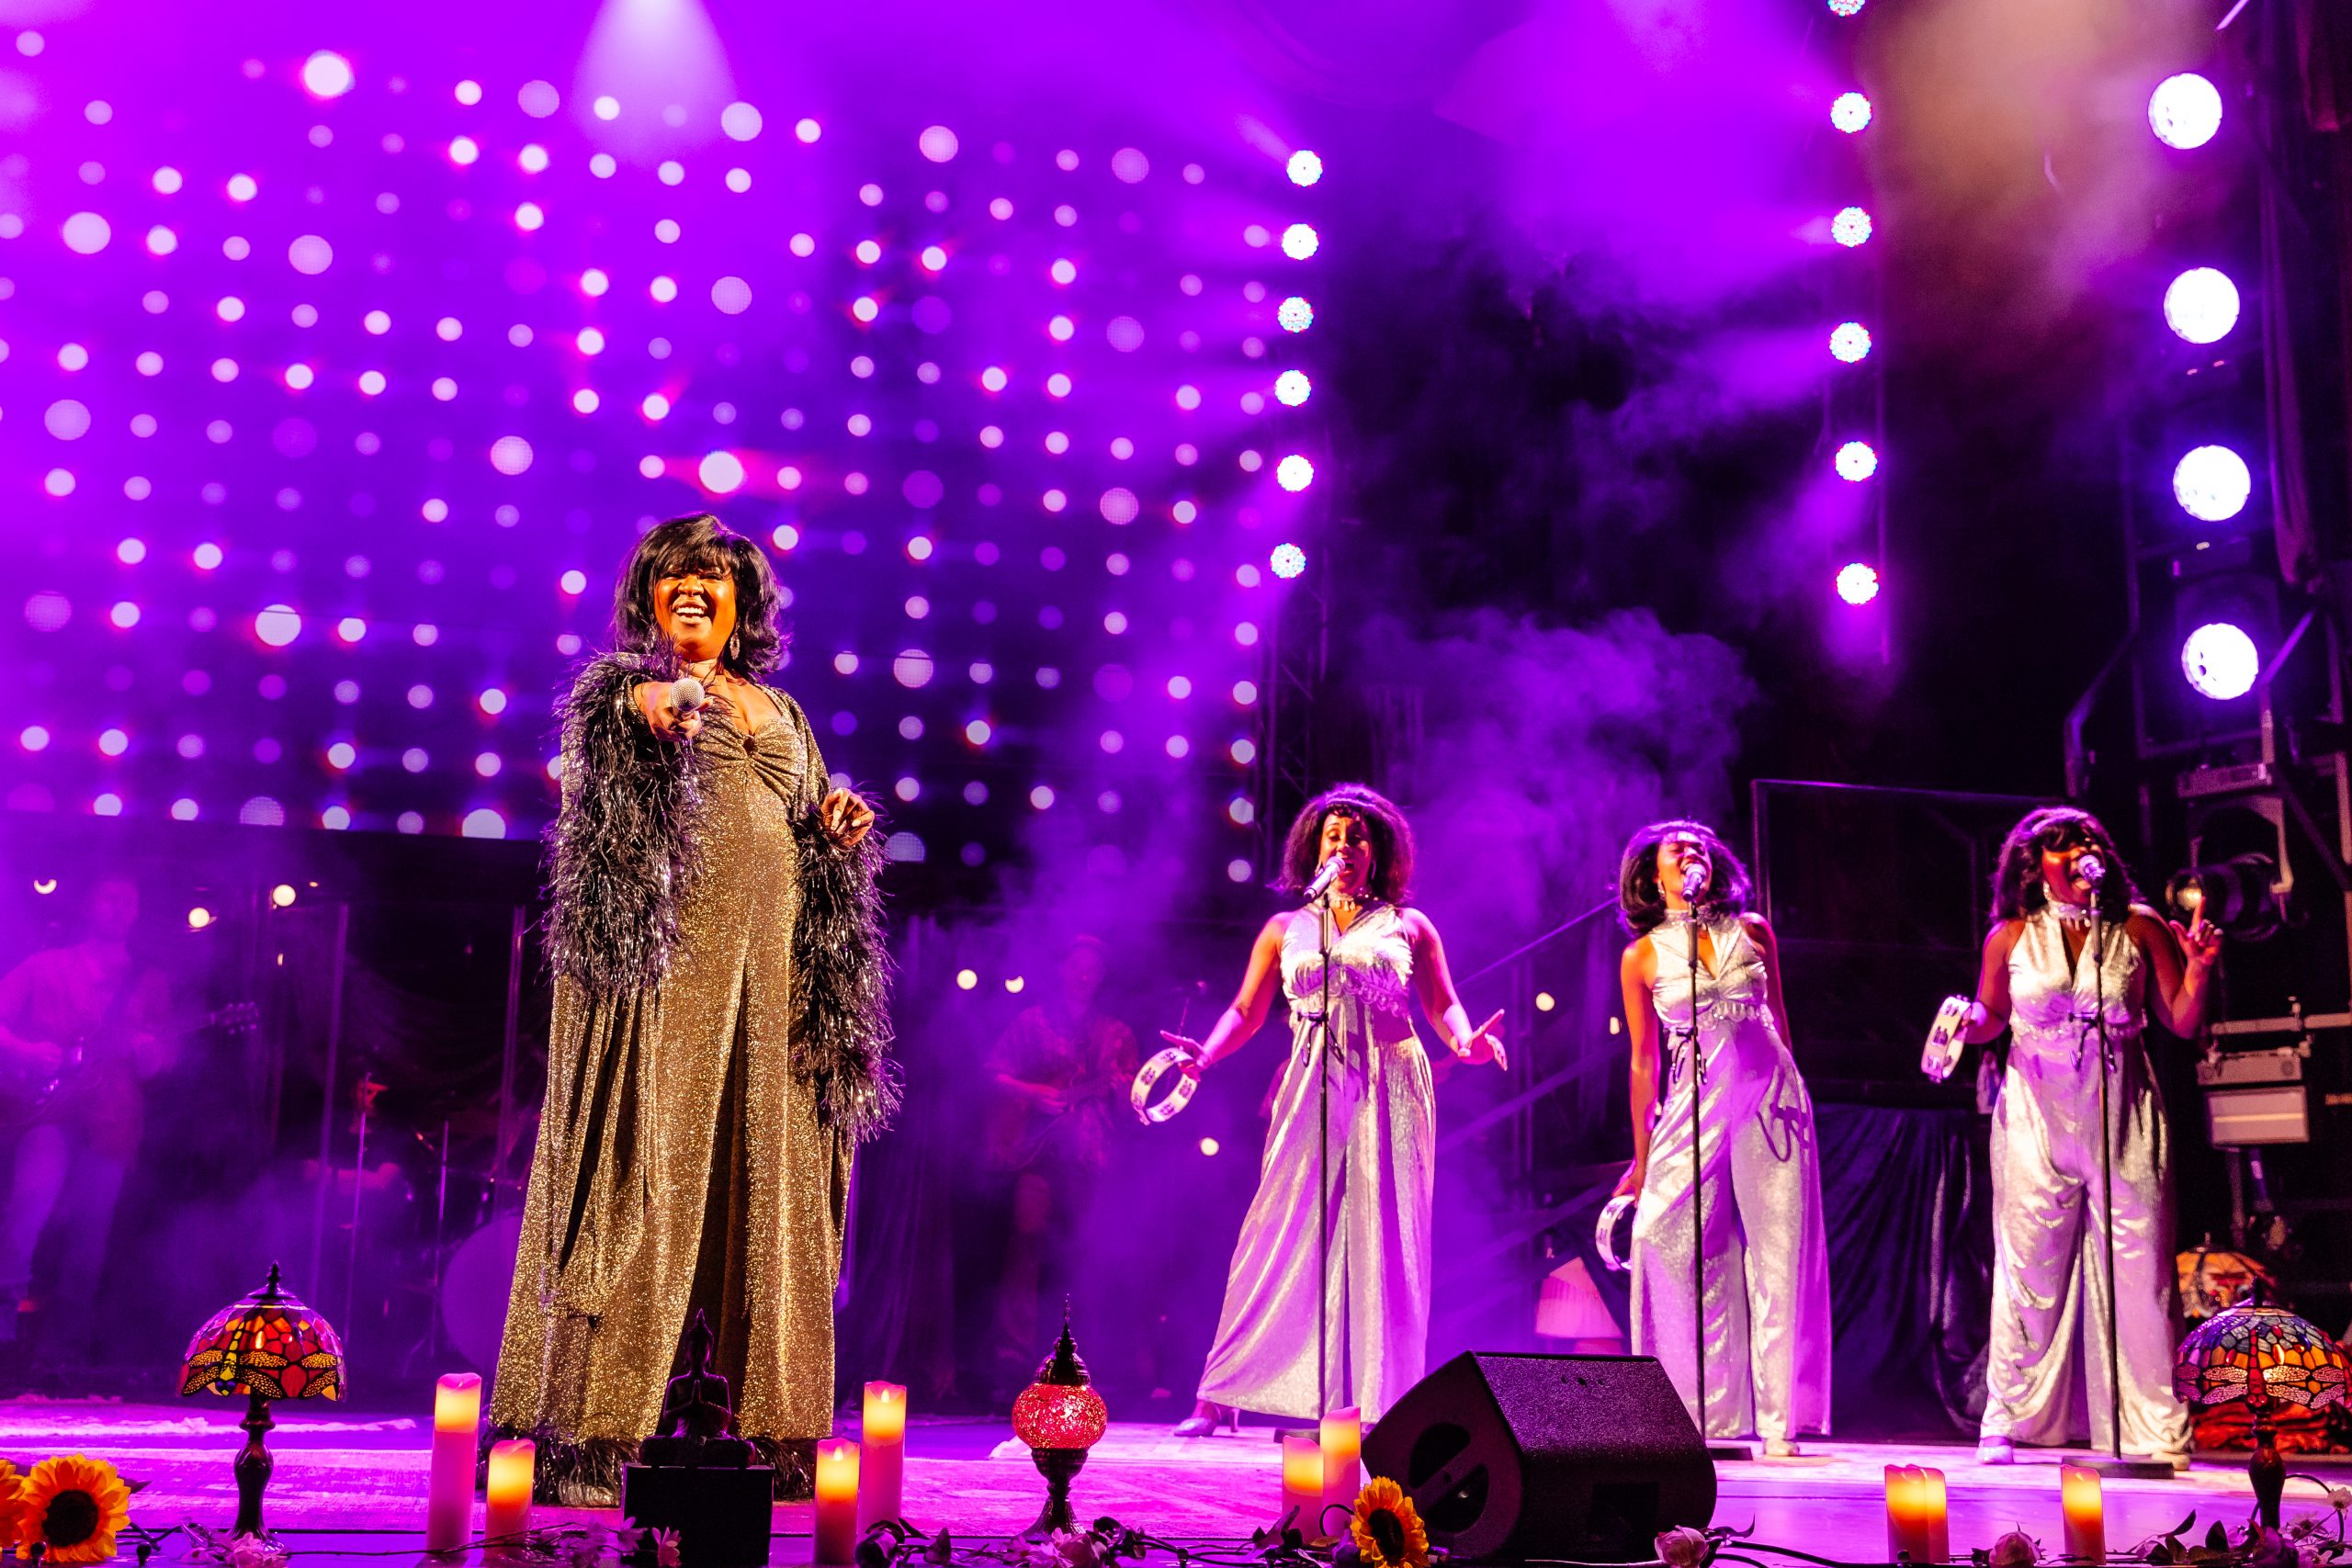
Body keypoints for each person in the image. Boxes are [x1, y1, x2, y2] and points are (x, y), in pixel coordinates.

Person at [488, 513, 891, 1502]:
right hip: (673, 976)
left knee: (771, 1184)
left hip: (777, 981)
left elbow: (802, 819)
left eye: (715, 580)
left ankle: (763, 1428)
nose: (697, 592)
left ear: (745, 601)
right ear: (652, 601)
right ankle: (598, 1432)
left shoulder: (786, 713)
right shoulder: (631, 690)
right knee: (651, 1169)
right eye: (677, 582)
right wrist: (660, 705)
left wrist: (837, 825)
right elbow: (624, 718)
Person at [1162, 784, 1508, 1432]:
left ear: (1378, 851)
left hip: (1393, 1080)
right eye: (1333, 837)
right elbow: (1245, 1009)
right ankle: (1222, 1391)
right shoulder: (1286, 929)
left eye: (1356, 837)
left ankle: (1381, 1403)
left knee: (1386, 1237)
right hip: (1312, 1080)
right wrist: (1203, 1057)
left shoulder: (1409, 923)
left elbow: (1442, 1002)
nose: (1344, 847)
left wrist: (1466, 1041)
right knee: (1278, 1227)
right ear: (1313, 849)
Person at [1952, 806, 2215, 1466]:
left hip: (2122, 1110)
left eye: (2088, 840)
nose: (2078, 852)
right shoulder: (2010, 935)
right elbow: (1991, 1019)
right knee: (2028, 1266)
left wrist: (2201, 971)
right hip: (2037, 1114)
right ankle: (2011, 1418)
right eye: (2061, 845)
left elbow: (2179, 1020)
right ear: (2033, 862)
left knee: (2141, 1267)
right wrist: (1964, 1021)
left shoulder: (2138, 925)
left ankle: (2155, 1428)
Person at [1614, 818, 1831, 1456]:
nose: (1693, 852)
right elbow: (1642, 1062)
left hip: (1771, 1095)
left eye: (1701, 846)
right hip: (1693, 1095)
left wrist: (1795, 1090)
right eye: (1677, 848)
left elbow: (1780, 1021)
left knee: (1778, 1248)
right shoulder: (1643, 954)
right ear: (1654, 875)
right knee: (1666, 1235)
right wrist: (1642, 1155)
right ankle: (1690, 1412)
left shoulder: (1754, 931)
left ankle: (1778, 1421)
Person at [0, 872, 175, 1359]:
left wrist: (149, 1054)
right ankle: (1, 1334)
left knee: (91, 1237)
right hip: (49, 1114)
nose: (120, 905)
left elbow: (162, 1060)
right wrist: (27, 1051)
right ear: (90, 905)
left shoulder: (150, 981)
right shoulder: (46, 966)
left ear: (137, 912)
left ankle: (65, 1352)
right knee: (27, 1210)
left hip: (113, 1123)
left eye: (129, 898)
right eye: (110, 896)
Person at [985, 935, 1136, 1386]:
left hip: (1092, 1158)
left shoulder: (1116, 1034)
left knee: (1087, 1255)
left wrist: (1126, 1089)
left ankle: (1083, 1356)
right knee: (1025, 1249)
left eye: (1094, 968)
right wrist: (1035, 1093)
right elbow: (992, 1070)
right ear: (1063, 970)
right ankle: (1012, 1356)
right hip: (1038, 1155)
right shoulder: (1033, 1022)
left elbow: (1131, 1098)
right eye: (1078, 965)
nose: (1085, 974)